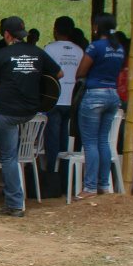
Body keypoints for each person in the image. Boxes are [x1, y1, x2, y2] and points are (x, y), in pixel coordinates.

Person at [0, 16, 62, 217]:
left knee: (9, 157)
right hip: (31, 112)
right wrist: (34, 79)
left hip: (8, 113)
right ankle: (15, 199)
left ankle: (15, 204)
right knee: (14, 154)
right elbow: (59, 74)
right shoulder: (37, 52)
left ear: (6, 35)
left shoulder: (1, 54)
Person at [74, 13, 126, 199]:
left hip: (95, 94)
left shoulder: (95, 46)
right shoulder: (119, 48)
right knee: (104, 141)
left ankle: (89, 188)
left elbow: (81, 71)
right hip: (113, 94)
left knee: (90, 142)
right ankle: (104, 184)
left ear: (97, 27)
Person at [42, 16, 84, 172]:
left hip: (54, 99)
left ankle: (52, 171)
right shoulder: (79, 51)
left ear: (55, 30)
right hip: (72, 100)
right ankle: (65, 171)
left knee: (52, 138)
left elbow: (44, 73)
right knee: (65, 136)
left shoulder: (49, 49)